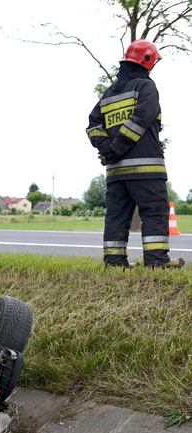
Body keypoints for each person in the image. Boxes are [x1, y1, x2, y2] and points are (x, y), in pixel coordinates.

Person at [86, 39, 184, 269]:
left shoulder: (108, 94)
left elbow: (92, 126)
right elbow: (142, 118)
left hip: (116, 171)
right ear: (147, 61)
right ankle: (157, 262)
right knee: (154, 211)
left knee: (117, 217)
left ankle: (114, 262)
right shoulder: (145, 87)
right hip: (146, 170)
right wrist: (117, 147)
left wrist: (107, 149)